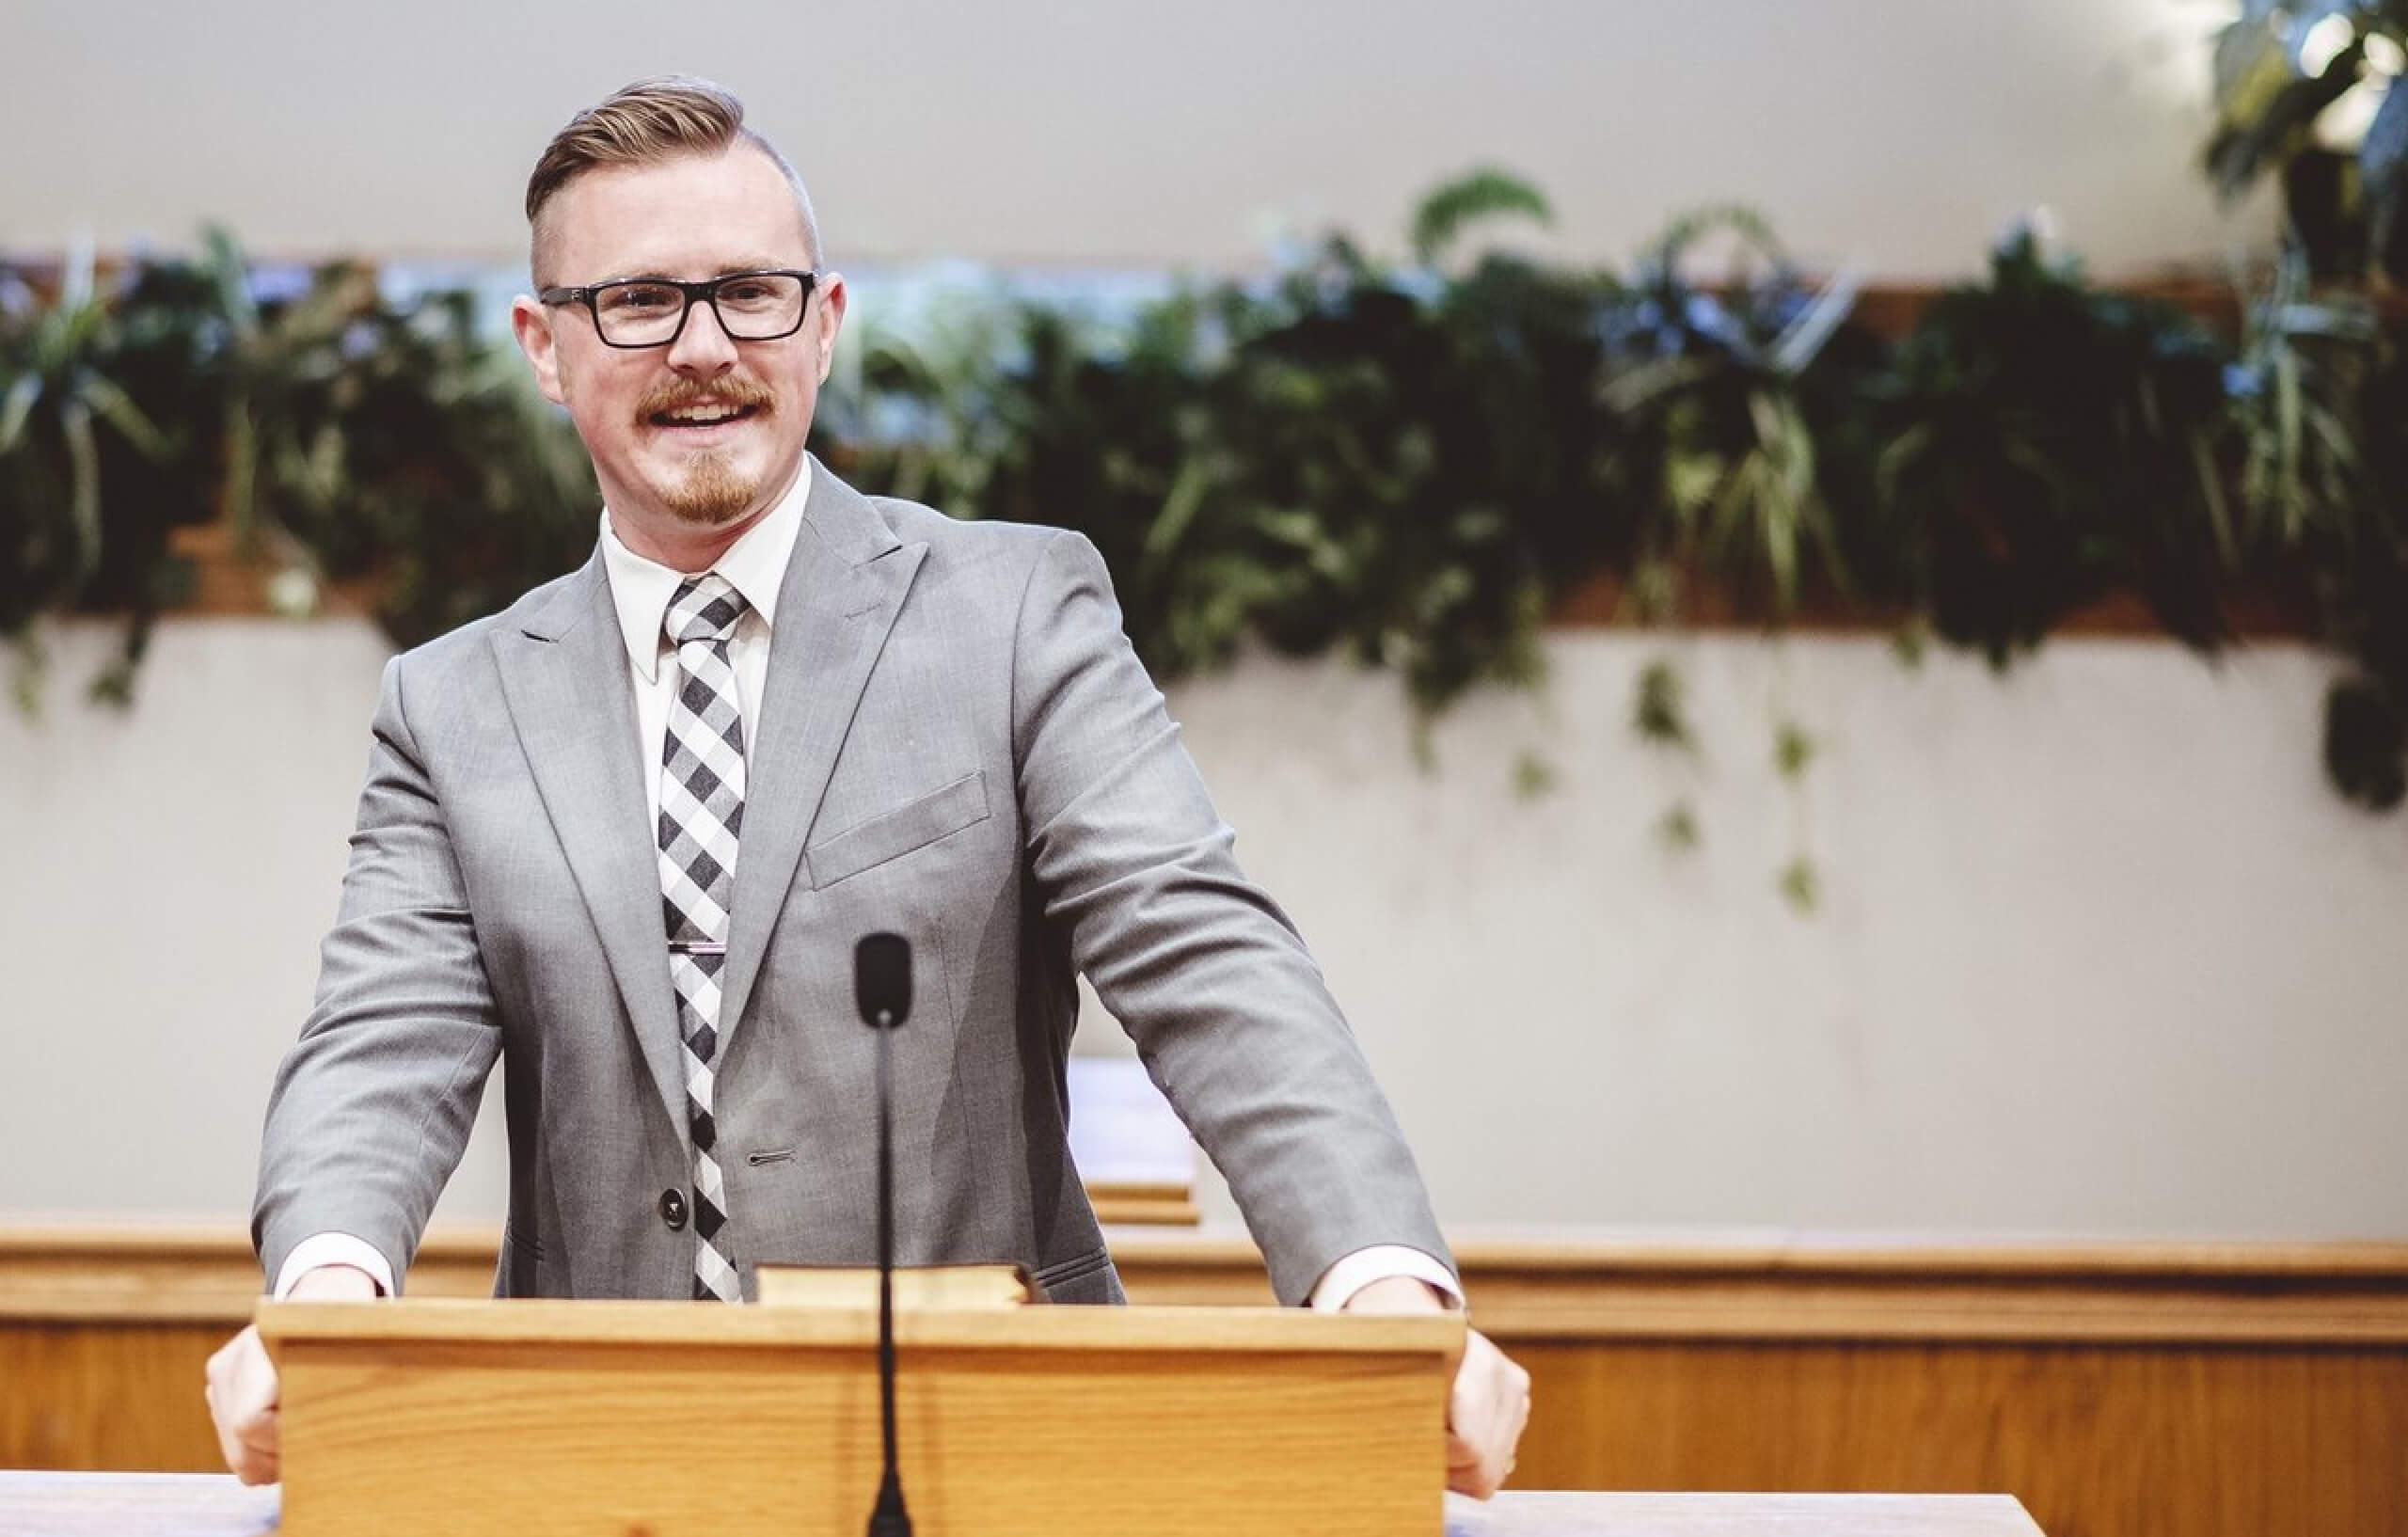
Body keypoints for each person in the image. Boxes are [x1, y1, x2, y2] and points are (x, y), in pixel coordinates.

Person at [204, 76, 1529, 1496]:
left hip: (989, 1456)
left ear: (823, 322)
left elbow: (1205, 952)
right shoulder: (453, 703)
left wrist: (1381, 1286)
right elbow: (381, 1043)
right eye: (639, 301)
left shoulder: (1015, 615)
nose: (704, 346)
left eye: (750, 293)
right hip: (595, 1458)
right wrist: (325, 1302)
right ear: (545, 345)